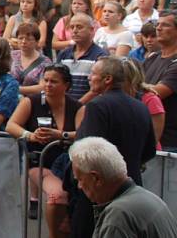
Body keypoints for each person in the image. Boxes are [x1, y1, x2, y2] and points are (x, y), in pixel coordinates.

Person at [69, 55, 158, 237]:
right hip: (132, 185)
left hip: (98, 192)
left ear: (107, 79)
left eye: (93, 73)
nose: (89, 77)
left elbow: (88, 154)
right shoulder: (140, 106)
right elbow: (150, 150)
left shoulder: (96, 106)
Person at [7, 64, 82, 237]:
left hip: (72, 166)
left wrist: (60, 135)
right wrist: (30, 136)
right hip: (40, 163)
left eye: (53, 81)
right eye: (45, 80)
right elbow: (11, 125)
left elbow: (83, 133)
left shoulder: (77, 106)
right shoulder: (31, 102)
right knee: (58, 196)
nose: (48, 85)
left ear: (66, 85)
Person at [69, 136, 177, 237]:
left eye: (80, 179)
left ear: (96, 178)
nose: (79, 186)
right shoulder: (147, 197)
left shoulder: (117, 217)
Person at [143, 11, 177, 151]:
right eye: (158, 24)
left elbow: (156, 93)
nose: (158, 28)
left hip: (169, 142)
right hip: (148, 136)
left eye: (165, 25)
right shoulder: (152, 58)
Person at [56, 13, 108, 102]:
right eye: (72, 27)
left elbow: (98, 88)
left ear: (91, 30)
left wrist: (77, 105)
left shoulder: (101, 56)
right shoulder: (64, 54)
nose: (75, 30)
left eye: (79, 27)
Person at [10, 22, 52, 96]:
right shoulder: (11, 56)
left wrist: (16, 89)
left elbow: (43, 87)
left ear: (36, 41)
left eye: (28, 39)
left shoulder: (45, 62)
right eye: (20, 38)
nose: (23, 42)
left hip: (32, 102)